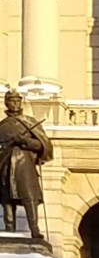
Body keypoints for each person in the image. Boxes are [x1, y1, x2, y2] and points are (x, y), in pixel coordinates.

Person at [0, 91, 52, 239]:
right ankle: (9, 231)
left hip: (25, 167)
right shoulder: (2, 126)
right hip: (5, 167)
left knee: (30, 198)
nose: (15, 103)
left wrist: (24, 141)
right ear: (6, 103)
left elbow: (43, 146)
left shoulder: (29, 122)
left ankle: (35, 229)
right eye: (12, 101)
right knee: (7, 201)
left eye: (17, 100)